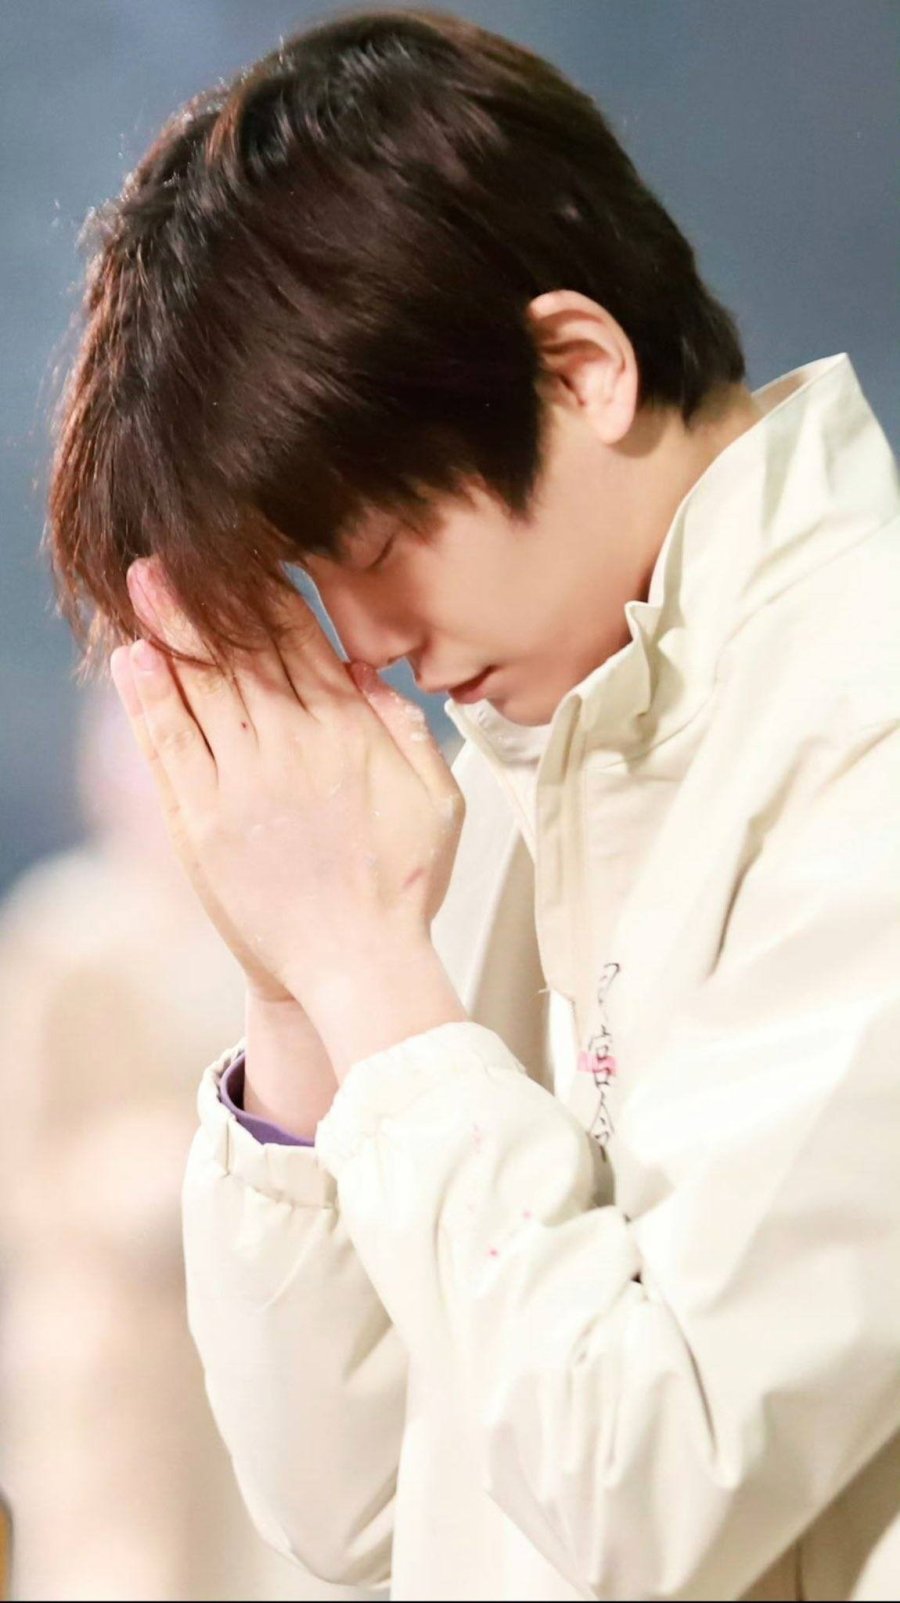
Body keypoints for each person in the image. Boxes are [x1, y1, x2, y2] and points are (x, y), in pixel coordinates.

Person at [44, 8, 899, 1600]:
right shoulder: (527, 750)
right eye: (316, 583)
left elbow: (648, 1482)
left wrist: (368, 965)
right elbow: (347, 1501)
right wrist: (292, 992)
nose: (369, 643)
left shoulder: (869, 716)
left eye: (374, 548)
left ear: (580, 369)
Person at [0, 687, 355, 1601]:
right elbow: (25, 1165)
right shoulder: (63, 938)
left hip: (264, 1326)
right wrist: (126, 1181)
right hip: (118, 1350)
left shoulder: (292, 935)